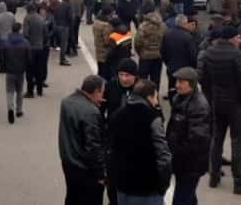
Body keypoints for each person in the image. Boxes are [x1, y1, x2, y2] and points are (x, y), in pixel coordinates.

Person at [197, 26, 241, 195]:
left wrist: (212, 97)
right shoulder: (236, 54)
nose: (240, 40)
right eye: (238, 37)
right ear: (231, 38)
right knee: (238, 142)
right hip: (236, 104)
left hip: (218, 103)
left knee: (217, 139)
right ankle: (239, 182)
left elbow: (203, 79)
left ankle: (214, 176)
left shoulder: (209, 52)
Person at [109, 79, 172, 205]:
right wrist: (164, 184)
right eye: (155, 97)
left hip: (122, 185)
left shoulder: (116, 116)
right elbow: (163, 156)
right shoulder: (153, 118)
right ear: (149, 97)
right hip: (147, 188)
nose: (156, 101)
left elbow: (111, 151)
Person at [59, 75, 107, 205]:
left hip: (68, 161)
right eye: (102, 92)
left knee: (72, 197)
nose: (102, 97)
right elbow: (93, 146)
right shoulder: (91, 112)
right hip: (85, 169)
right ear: (96, 91)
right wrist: (100, 174)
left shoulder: (67, 102)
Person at [167, 67, 211, 205]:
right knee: (188, 196)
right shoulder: (178, 98)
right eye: (177, 81)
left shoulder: (199, 106)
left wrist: (177, 151)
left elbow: (197, 140)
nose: (177, 85)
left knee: (181, 198)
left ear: (191, 84)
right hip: (180, 161)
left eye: (181, 82)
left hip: (191, 163)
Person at [102, 58, 138, 205]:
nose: (124, 79)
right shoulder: (110, 87)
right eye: (121, 74)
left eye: (127, 75)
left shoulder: (143, 90)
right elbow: (100, 111)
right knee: (112, 181)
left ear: (135, 76)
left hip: (135, 145)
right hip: (113, 142)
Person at [160, 15, 197, 100]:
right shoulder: (188, 37)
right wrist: (193, 68)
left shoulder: (167, 34)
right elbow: (193, 55)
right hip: (185, 69)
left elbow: (162, 51)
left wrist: (167, 63)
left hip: (171, 67)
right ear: (184, 23)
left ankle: (172, 103)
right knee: (184, 90)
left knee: (172, 88)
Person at [2, 22, 30, 124]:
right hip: (20, 70)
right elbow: (28, 57)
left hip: (10, 70)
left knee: (10, 91)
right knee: (19, 90)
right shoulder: (25, 42)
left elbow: (3, 57)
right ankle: (19, 110)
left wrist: (4, 67)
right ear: (20, 30)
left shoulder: (6, 42)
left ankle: (10, 108)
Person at [135, 10, 166, 88]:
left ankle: (142, 93)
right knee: (156, 79)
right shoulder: (163, 26)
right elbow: (165, 40)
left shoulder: (143, 26)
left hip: (145, 56)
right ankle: (155, 93)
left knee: (142, 79)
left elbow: (138, 42)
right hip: (158, 56)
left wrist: (140, 52)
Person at [22, 4, 47, 97]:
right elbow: (45, 33)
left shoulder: (27, 18)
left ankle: (30, 91)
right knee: (39, 69)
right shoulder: (41, 18)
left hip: (31, 48)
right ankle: (40, 90)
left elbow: (25, 34)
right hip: (40, 47)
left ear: (28, 10)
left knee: (30, 71)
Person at [93, 7, 115, 81]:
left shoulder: (96, 22)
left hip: (98, 49)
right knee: (106, 74)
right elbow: (107, 41)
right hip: (105, 52)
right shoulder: (106, 26)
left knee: (100, 70)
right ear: (108, 14)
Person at [55, 0, 75, 66]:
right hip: (65, 26)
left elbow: (55, 14)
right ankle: (62, 60)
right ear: (69, 0)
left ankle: (63, 58)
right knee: (64, 44)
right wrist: (71, 24)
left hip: (58, 25)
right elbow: (70, 17)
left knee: (61, 43)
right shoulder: (69, 6)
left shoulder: (59, 5)